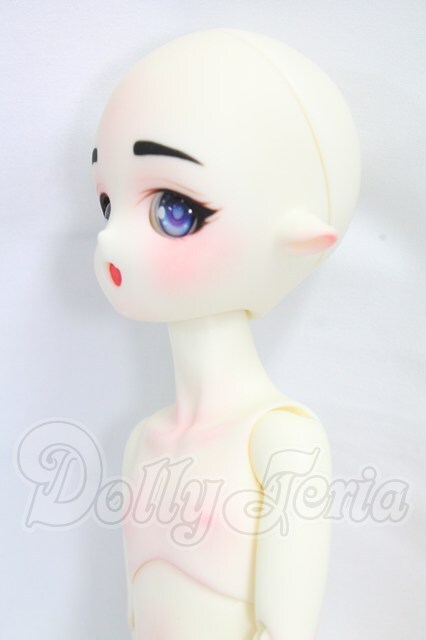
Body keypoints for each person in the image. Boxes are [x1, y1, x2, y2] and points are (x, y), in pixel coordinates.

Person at [91, 28, 361, 640]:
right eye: (107, 202)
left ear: (298, 237)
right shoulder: (141, 442)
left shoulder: (283, 440)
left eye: (174, 209)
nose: (109, 239)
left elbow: (286, 630)